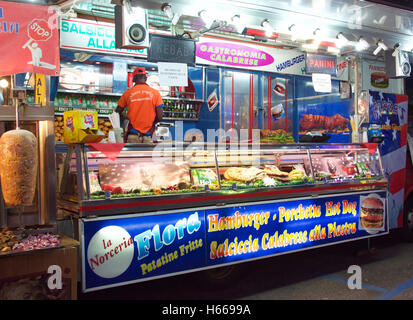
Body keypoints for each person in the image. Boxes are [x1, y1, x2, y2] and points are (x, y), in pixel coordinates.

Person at [115, 67, 164, 143]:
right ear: (145, 78)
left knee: (133, 154)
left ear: (133, 79)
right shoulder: (155, 93)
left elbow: (116, 112)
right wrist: (151, 122)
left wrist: (125, 116)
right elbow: (160, 116)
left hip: (132, 134)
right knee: (147, 155)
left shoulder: (128, 93)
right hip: (149, 135)